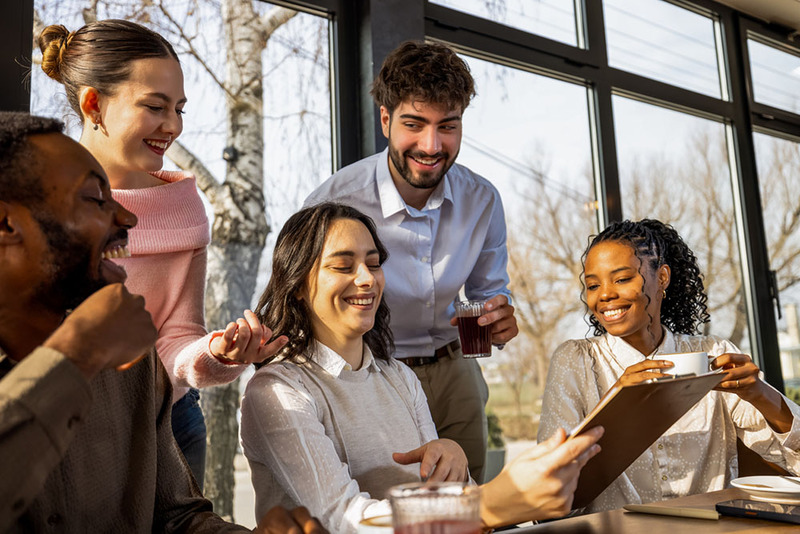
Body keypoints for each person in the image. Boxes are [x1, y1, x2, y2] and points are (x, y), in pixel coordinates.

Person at [0, 112, 325, 533]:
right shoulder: (94, 351)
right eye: (96, 199)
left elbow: (179, 518)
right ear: (7, 224)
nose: (128, 220)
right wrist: (76, 356)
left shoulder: (133, 365)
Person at [240, 202, 603, 533]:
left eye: (373, 263)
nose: (367, 279)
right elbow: (342, 519)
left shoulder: (400, 377)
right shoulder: (277, 391)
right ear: (299, 283)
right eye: (343, 266)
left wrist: (456, 469)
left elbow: (450, 504)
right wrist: (489, 503)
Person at [38, 20, 288, 488]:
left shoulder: (183, 206)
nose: (172, 126)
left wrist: (219, 352)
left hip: (169, 426)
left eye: (178, 109)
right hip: (64, 427)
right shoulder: (35, 198)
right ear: (94, 104)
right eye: (154, 107)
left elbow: (175, 342)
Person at [304, 40, 518, 483]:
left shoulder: (482, 199)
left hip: (454, 364)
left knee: (468, 498)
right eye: (414, 124)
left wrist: (499, 314)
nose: (431, 144)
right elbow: (307, 303)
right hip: (373, 368)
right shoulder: (334, 200)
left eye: (448, 126)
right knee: (391, 497)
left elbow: (489, 293)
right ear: (386, 119)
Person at [538, 218, 800, 514]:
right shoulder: (576, 362)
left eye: (622, 279)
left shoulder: (713, 353)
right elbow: (549, 494)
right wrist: (618, 403)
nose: (605, 294)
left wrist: (760, 394)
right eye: (593, 285)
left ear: (662, 277)